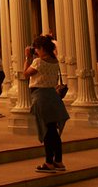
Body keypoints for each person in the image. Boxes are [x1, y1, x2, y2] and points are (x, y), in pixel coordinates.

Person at [25, 34, 69, 172]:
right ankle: (58, 161)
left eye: (37, 48)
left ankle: (49, 162)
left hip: (42, 97)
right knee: (53, 131)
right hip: (53, 97)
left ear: (42, 48)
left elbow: (25, 74)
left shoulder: (38, 62)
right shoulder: (55, 61)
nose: (35, 51)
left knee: (48, 132)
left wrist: (28, 57)